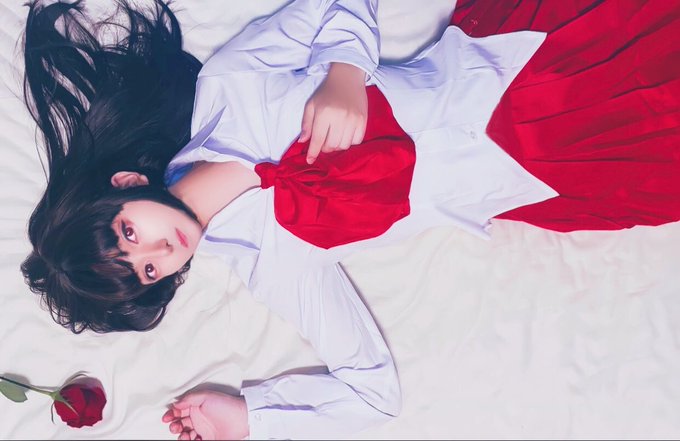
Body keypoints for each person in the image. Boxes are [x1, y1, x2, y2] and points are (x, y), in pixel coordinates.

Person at [19, 0, 679, 439]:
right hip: (562, 161)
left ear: (126, 185)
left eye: (128, 235)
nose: (159, 251)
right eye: (147, 271)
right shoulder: (275, 266)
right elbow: (373, 393)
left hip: (524, 54)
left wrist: (344, 72)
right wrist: (251, 416)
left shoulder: (230, 85)